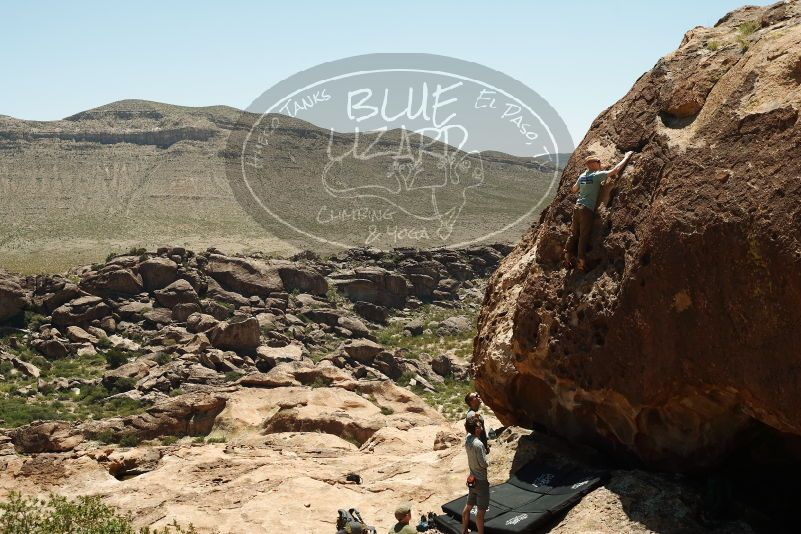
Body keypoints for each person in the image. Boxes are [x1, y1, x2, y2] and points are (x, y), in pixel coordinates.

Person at [564, 151, 634, 271]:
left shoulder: (582, 176)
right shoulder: (596, 175)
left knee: (574, 234)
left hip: (577, 208)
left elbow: (574, 190)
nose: (600, 163)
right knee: (583, 236)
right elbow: (615, 170)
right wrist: (627, 157)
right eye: (598, 162)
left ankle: (567, 255)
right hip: (587, 210)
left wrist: (585, 187)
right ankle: (580, 261)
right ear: (594, 164)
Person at [461, 414, 489, 534]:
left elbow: (467, 428)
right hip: (481, 481)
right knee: (481, 512)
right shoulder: (479, 444)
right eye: (479, 426)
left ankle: (464, 531)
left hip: (472, 478)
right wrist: (488, 457)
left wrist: (473, 419)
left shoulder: (467, 439)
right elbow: (483, 464)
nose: (481, 428)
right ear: (476, 429)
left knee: (468, 506)